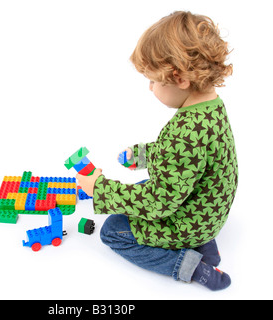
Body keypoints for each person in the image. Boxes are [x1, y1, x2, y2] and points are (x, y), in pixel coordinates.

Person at [76, 11, 238, 291]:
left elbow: (159, 202)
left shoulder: (187, 132)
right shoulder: (211, 108)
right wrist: (143, 156)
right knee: (140, 187)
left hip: (188, 218)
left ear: (179, 79)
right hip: (209, 209)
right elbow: (187, 161)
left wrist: (99, 189)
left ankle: (191, 266)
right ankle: (206, 246)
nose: (150, 88)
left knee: (113, 231)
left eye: (153, 80)